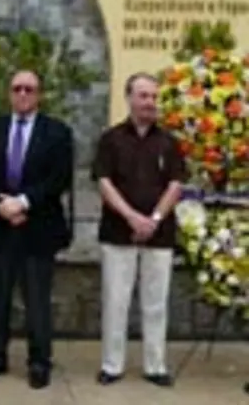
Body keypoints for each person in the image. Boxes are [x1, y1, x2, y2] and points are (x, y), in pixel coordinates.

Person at [0, 70, 74, 389]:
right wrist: (1, 202)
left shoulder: (57, 132)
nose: (23, 94)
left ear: (39, 94)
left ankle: (39, 362)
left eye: (30, 89)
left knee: (37, 301)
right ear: (9, 93)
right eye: (17, 88)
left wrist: (24, 203)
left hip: (37, 228)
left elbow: (59, 178)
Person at [92, 73, 185, 388]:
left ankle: (155, 365)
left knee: (156, 303)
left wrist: (154, 219)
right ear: (129, 98)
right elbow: (104, 183)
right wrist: (133, 218)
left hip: (159, 235)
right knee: (116, 302)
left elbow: (176, 184)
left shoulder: (169, 142)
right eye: (143, 96)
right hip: (119, 233)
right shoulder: (111, 139)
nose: (150, 103)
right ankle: (112, 364)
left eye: (154, 97)